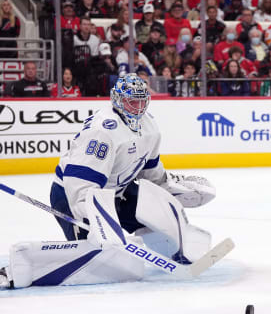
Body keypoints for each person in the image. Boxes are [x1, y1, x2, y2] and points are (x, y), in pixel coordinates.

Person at [0, 74, 218, 289]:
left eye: (143, 101)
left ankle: (178, 252)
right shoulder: (102, 131)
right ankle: (20, 269)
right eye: (132, 102)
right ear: (117, 99)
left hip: (118, 192)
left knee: (154, 215)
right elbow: (81, 185)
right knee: (98, 255)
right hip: (73, 196)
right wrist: (101, 224)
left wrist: (169, 191)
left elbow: (150, 175)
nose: (138, 108)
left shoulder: (149, 127)